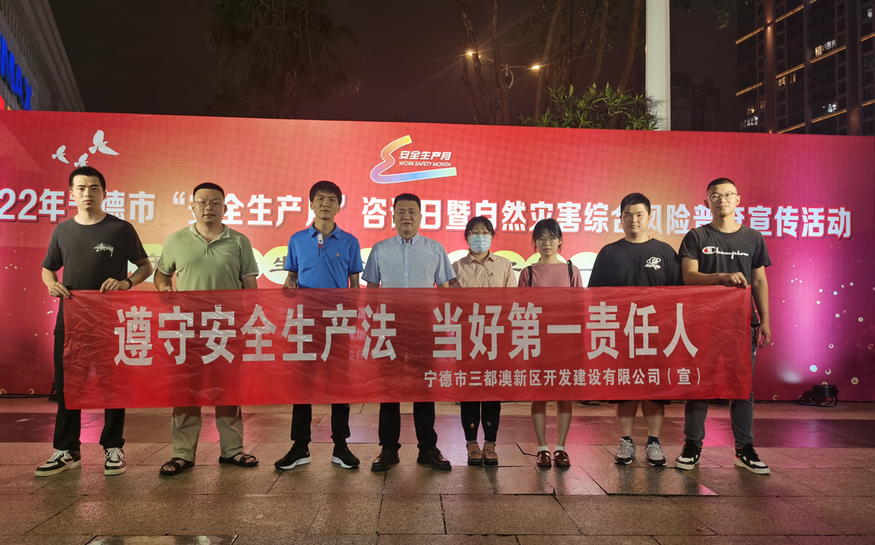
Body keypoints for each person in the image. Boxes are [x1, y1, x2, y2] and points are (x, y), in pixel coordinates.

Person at [37, 166, 153, 477]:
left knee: (113, 384)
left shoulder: (120, 229)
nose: (87, 193)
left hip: (109, 321)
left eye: (93, 188)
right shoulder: (62, 231)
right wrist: (51, 284)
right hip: (70, 320)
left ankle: (113, 447)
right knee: (67, 385)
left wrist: (126, 283)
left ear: (104, 192)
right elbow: (48, 268)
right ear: (71, 194)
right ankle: (67, 449)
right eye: (81, 188)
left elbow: (145, 267)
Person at [154, 182, 260, 476]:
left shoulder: (239, 241)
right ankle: (183, 453)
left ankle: (232, 450)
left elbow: (250, 286)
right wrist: (164, 289)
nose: (208, 207)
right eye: (202, 202)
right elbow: (161, 275)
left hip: (227, 328)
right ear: (192, 206)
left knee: (228, 391)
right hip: (187, 328)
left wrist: (249, 322)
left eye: (215, 202)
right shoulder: (176, 240)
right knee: (186, 391)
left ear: (225, 207)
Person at [675, 178, 772, 475]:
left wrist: (765, 319)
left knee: (742, 387)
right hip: (703, 322)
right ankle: (692, 445)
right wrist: (722, 276)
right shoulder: (696, 236)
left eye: (728, 195)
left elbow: (759, 281)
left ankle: (744, 449)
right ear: (706, 203)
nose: (722, 200)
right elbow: (689, 277)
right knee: (699, 383)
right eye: (715, 196)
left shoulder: (753, 237)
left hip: (742, 324)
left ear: (738, 200)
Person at [362, 193, 456, 472]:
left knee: (424, 388)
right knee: (389, 388)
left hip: (423, 328)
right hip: (388, 327)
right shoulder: (380, 249)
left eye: (412, 211)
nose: (406, 216)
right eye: (401, 211)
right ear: (392, 216)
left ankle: (427, 448)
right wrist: (371, 326)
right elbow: (371, 292)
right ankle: (389, 449)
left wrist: (444, 327)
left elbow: (445, 291)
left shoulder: (435, 249)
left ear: (421, 216)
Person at [588, 193, 682, 467]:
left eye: (640, 214)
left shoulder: (665, 252)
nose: (634, 220)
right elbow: (594, 295)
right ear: (621, 218)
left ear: (650, 217)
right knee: (625, 388)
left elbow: (679, 295)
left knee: (654, 389)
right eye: (628, 215)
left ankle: (654, 442)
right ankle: (626, 441)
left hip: (656, 334)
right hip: (621, 334)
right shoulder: (608, 252)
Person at [274, 181, 362, 471]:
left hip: (337, 322)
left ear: (339, 205)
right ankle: (300, 446)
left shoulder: (350, 241)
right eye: (320, 198)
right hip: (306, 321)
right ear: (311, 204)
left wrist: (352, 315)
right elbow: (292, 277)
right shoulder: (297, 239)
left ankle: (341, 446)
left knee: (339, 384)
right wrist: (288, 286)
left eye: (332, 199)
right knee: (303, 384)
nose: (326, 203)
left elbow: (354, 285)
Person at [518, 218, 582, 468]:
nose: (547, 243)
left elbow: (579, 310)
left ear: (560, 241)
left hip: (565, 342)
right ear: (535, 242)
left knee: (564, 395)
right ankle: (542, 447)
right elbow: (521, 310)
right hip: (537, 341)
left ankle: (561, 447)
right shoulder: (528, 273)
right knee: (540, 395)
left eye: (552, 238)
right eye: (541, 238)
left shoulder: (571, 271)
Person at [451, 216, 515, 466]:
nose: (480, 237)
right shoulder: (456, 267)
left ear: (492, 236)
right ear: (467, 236)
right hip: (467, 338)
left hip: (496, 337)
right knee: (469, 389)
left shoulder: (504, 265)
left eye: (485, 232)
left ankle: (490, 443)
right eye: (474, 232)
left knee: (491, 389)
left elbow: (512, 301)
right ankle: (471, 443)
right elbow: (450, 305)